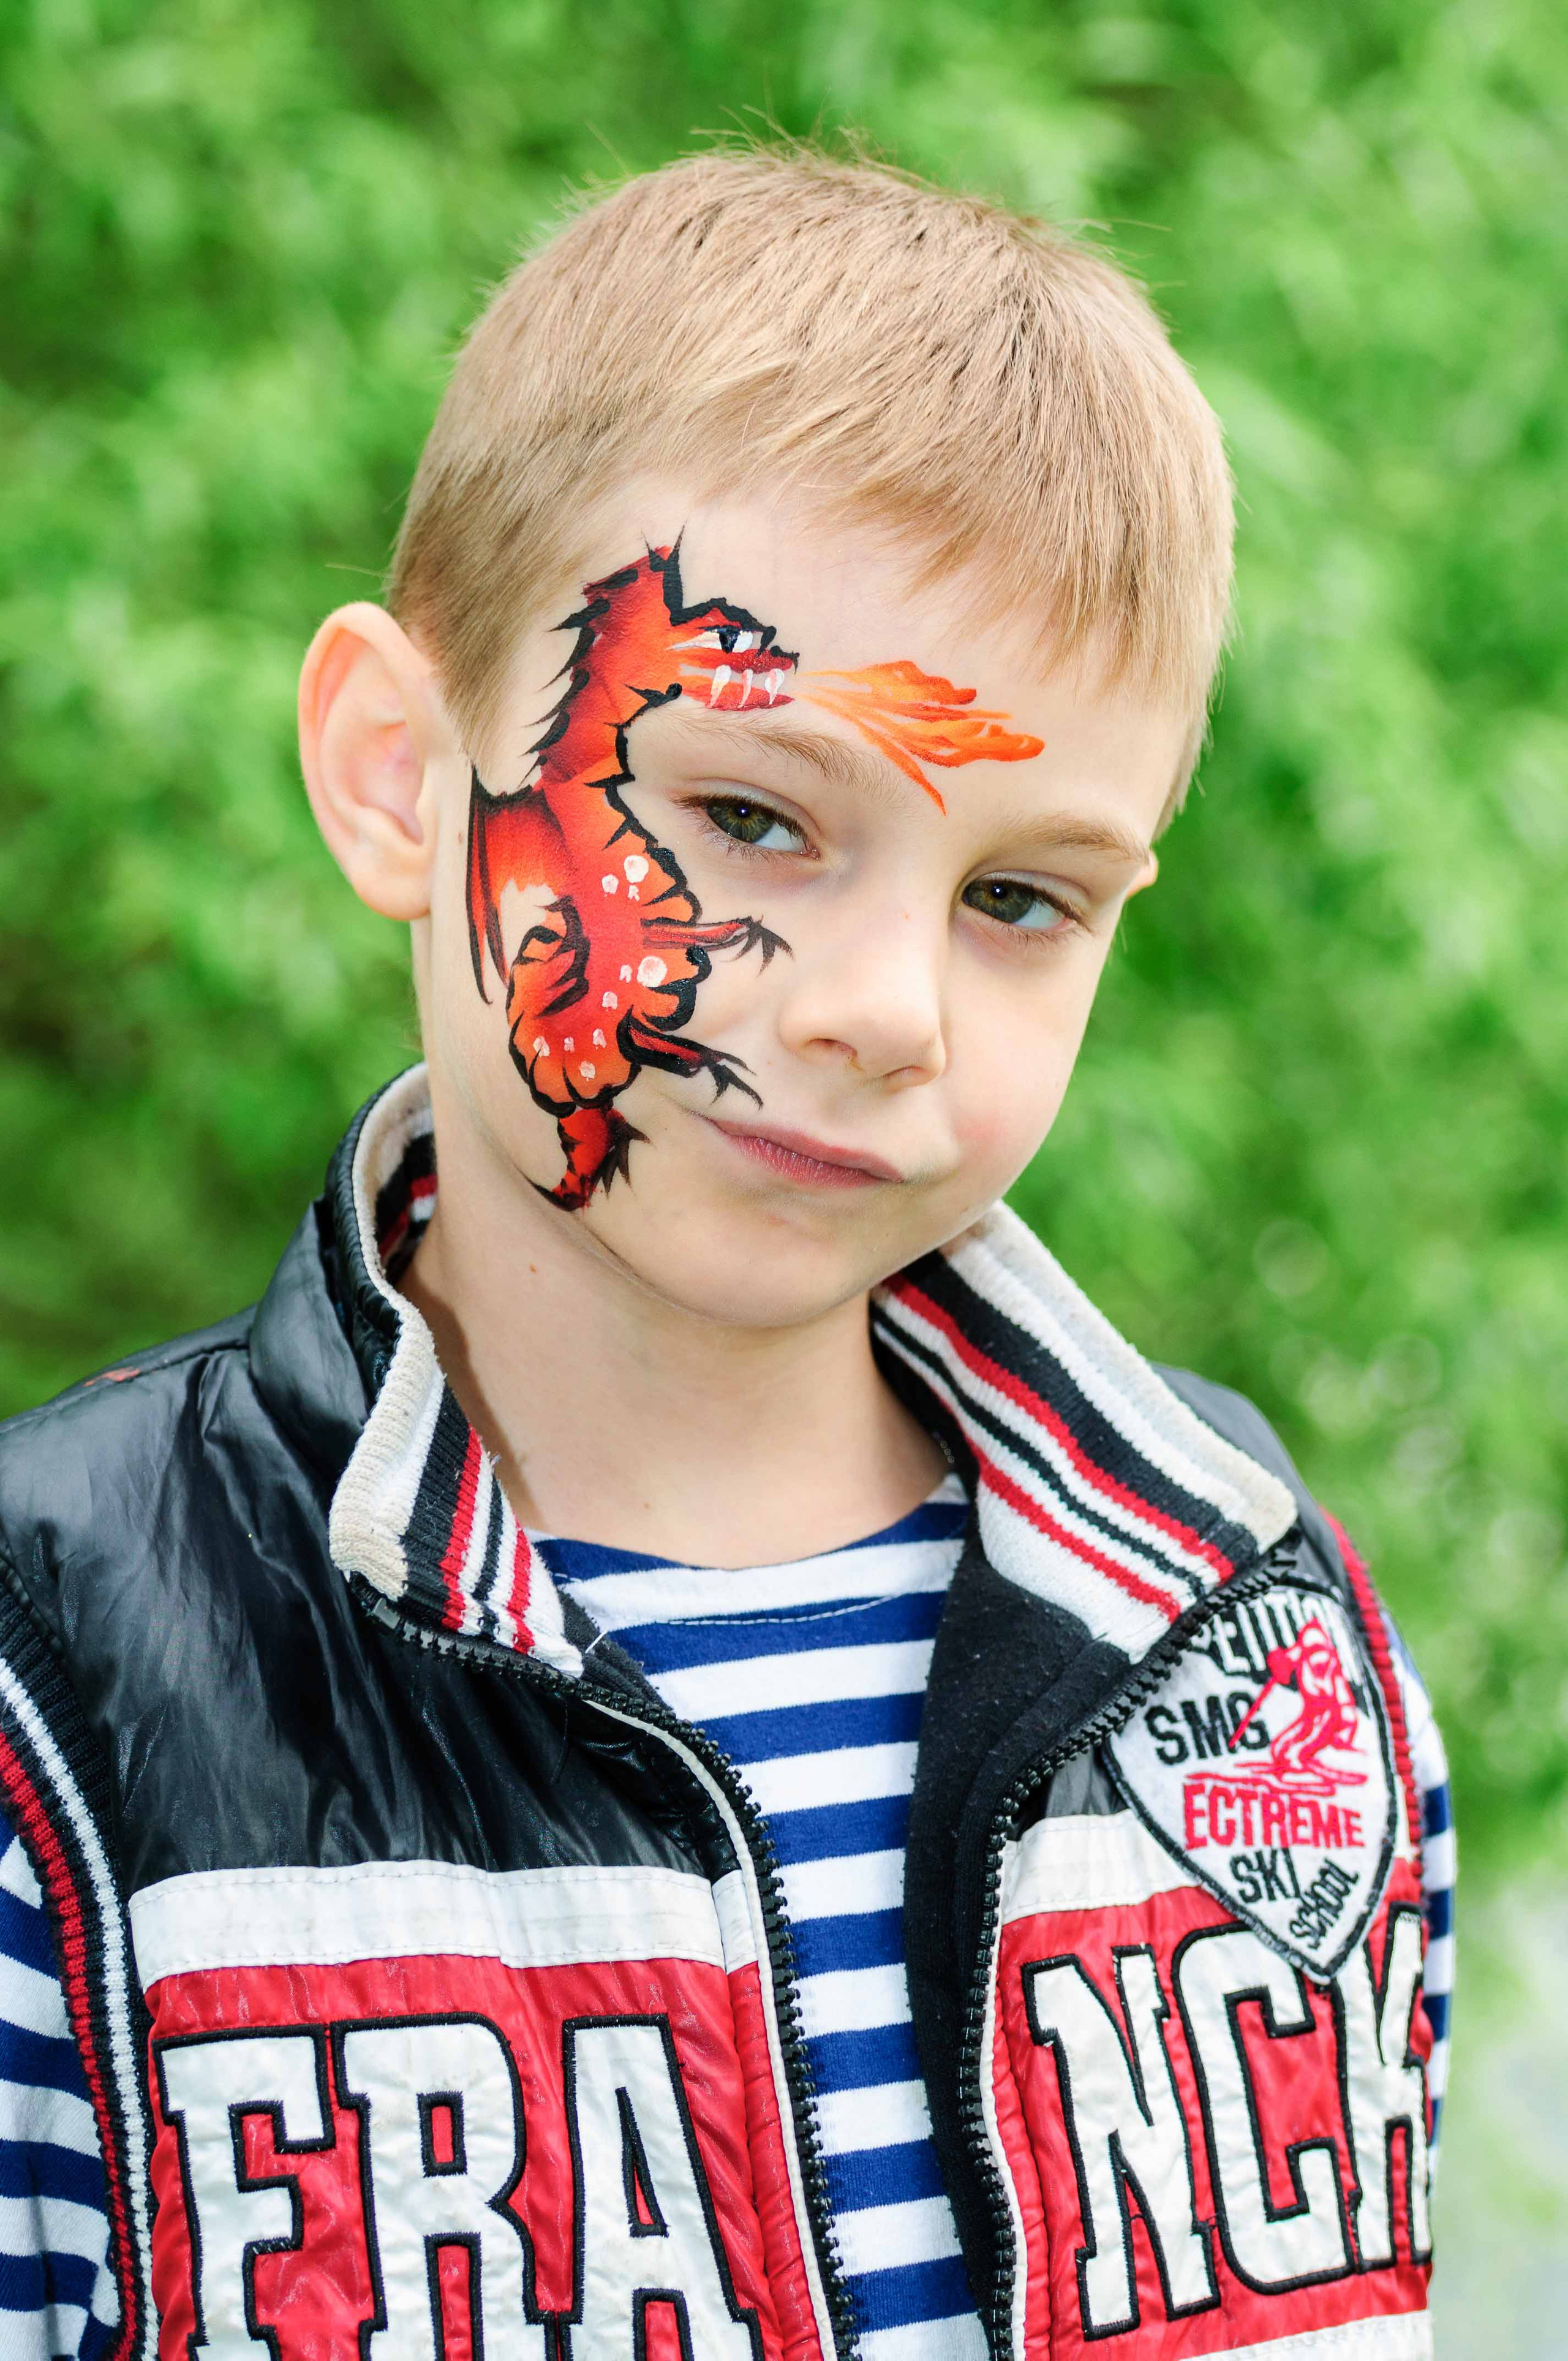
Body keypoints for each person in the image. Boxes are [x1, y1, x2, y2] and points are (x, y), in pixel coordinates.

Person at [0, 147, 1452, 2361]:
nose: (890, 1005)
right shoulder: (56, 1683)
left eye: (1022, 900)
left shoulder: (1265, 1637)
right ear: (403, 776)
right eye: (755, 816)